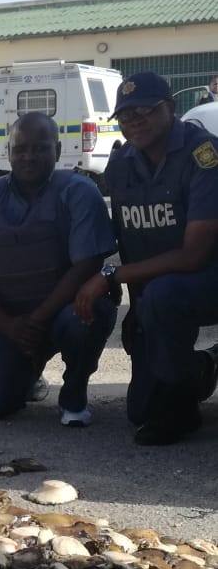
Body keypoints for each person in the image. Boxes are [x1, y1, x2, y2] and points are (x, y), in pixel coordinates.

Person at [75, 72, 218, 445]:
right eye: (125, 116)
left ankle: (182, 410)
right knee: (140, 411)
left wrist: (111, 276)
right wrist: (135, 310)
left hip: (207, 278)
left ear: (170, 108)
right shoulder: (121, 166)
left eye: (144, 111)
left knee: (163, 296)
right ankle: (202, 368)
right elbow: (132, 238)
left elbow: (193, 255)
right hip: (158, 292)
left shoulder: (205, 155)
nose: (134, 122)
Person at [0, 112, 117, 426]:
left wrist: (39, 318)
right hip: (14, 321)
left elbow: (87, 264)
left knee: (84, 317)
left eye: (40, 148)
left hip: (66, 311)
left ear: (57, 151)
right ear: (8, 153)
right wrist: (9, 325)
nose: (29, 156)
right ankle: (30, 374)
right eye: (20, 149)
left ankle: (74, 394)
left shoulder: (79, 192)